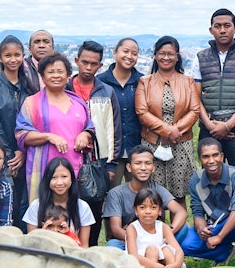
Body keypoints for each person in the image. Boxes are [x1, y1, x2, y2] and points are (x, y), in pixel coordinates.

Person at [185, 9, 235, 176]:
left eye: (227, 25)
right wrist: (209, 124)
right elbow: (195, 97)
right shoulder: (200, 57)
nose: (223, 30)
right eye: (217, 26)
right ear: (211, 30)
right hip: (209, 129)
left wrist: (228, 125)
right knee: (210, 181)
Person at [15, 52, 94, 200]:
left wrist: (85, 134)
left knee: (72, 212)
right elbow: (22, 134)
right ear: (42, 77)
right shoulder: (32, 103)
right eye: (50, 72)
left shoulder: (78, 102)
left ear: (68, 75)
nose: (56, 75)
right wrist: (49, 136)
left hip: (75, 168)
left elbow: (90, 126)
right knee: (45, 212)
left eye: (60, 71)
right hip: (44, 168)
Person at [65, 41, 121, 245]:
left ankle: (92, 245)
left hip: (97, 159)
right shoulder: (65, 88)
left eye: (94, 64)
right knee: (67, 203)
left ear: (100, 65)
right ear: (76, 61)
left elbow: (114, 129)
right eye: (85, 62)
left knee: (94, 205)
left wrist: (111, 164)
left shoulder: (106, 91)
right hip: (69, 156)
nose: (88, 68)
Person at [135, 36, 201, 204]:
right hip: (153, 143)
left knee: (178, 195)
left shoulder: (188, 81)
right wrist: (166, 130)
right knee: (152, 195)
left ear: (177, 56)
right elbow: (142, 112)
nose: (166, 57)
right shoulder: (145, 82)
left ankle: (178, 230)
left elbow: (195, 110)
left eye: (170, 54)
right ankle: (158, 229)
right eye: (162, 53)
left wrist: (174, 131)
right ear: (155, 55)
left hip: (180, 142)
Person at [177, 138, 235, 268]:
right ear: (200, 160)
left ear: (222, 156)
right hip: (215, 226)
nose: (211, 161)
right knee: (186, 244)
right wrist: (201, 228)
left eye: (215, 155)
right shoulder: (195, 180)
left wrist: (220, 236)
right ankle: (224, 252)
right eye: (206, 157)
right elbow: (197, 212)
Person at [0, 36, 35, 226]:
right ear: (0, 58)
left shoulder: (29, 86)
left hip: (26, 153)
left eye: (17, 55)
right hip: (2, 155)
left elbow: (32, 121)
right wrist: (9, 154)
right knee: (4, 202)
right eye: (8, 55)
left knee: (25, 203)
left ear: (23, 56)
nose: (13, 60)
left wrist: (22, 150)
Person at [102, 145, 188, 250]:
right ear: (129, 167)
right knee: (112, 245)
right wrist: (140, 241)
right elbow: (116, 229)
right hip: (130, 240)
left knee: (183, 228)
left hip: (157, 238)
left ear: (153, 168)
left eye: (148, 163)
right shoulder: (116, 193)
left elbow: (181, 212)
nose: (143, 168)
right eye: (138, 163)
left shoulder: (158, 189)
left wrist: (167, 234)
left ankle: (159, 253)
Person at [128, 192, 190, 268]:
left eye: (153, 207)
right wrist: (159, 267)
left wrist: (174, 266)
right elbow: (133, 256)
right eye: (142, 207)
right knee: (152, 250)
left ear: (159, 210)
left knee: (166, 250)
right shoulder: (132, 228)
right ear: (136, 210)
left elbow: (179, 251)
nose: (148, 211)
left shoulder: (163, 227)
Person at [98, 38, 143, 185]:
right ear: (115, 52)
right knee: (110, 195)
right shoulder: (100, 82)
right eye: (125, 51)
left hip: (136, 147)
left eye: (134, 53)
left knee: (138, 196)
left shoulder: (142, 81)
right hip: (110, 152)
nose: (129, 56)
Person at [23, 157, 92, 244]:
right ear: (47, 180)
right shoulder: (36, 206)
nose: (59, 182)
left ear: (72, 179)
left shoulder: (82, 207)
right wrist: (42, 233)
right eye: (54, 177)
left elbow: (84, 246)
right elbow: (31, 243)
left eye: (64, 176)